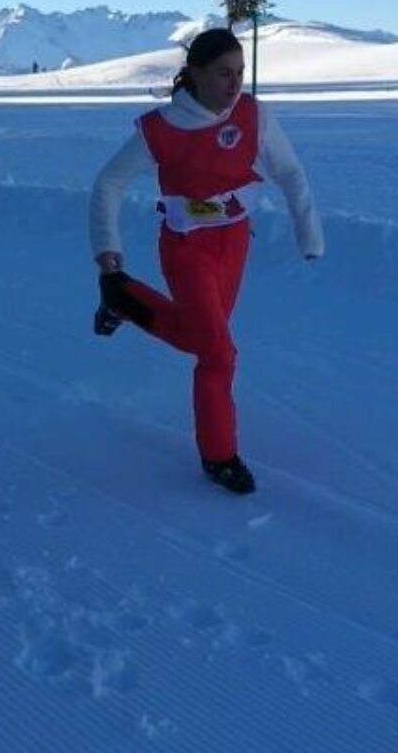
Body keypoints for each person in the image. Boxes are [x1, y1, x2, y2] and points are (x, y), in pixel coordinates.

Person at [88, 27, 323, 495]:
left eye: (240, 73)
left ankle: (124, 301)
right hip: (186, 248)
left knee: (203, 341)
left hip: (234, 243)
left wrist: (308, 232)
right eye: (223, 74)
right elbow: (108, 183)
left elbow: (290, 173)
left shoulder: (254, 115)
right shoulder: (162, 128)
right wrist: (106, 247)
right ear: (194, 74)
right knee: (218, 353)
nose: (234, 84)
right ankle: (219, 455)